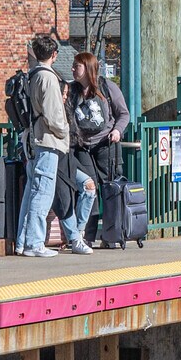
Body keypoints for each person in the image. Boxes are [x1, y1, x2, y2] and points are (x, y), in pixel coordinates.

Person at [15, 34, 74, 257]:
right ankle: (35, 243)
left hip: (32, 139)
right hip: (47, 141)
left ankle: (23, 241)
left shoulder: (32, 75)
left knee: (31, 193)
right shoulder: (48, 79)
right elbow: (53, 116)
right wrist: (65, 131)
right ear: (54, 55)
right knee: (43, 193)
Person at [65, 51, 129, 240]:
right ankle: (88, 237)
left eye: (77, 66)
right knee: (88, 189)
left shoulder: (108, 88)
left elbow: (123, 114)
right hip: (82, 146)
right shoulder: (71, 91)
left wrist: (117, 130)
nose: (73, 69)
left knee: (110, 190)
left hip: (105, 144)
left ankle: (114, 234)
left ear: (88, 68)